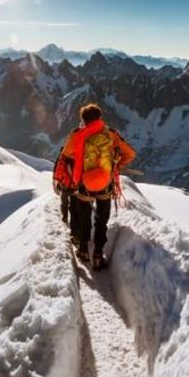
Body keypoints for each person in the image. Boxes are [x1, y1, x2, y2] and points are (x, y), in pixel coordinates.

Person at [58, 103, 136, 270]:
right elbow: (130, 154)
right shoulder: (111, 134)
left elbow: (66, 154)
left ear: (83, 119)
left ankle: (84, 250)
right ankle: (98, 253)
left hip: (83, 184)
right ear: (100, 117)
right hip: (105, 184)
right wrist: (115, 166)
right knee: (102, 220)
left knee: (84, 219)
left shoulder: (77, 135)